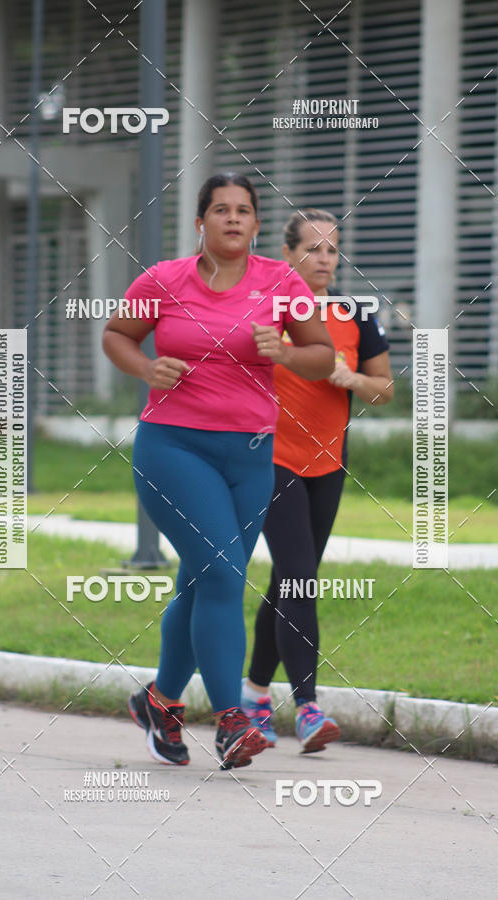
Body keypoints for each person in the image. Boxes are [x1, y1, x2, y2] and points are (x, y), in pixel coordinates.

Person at [102, 177, 335, 769]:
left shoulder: (283, 283)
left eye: (245, 211)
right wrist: (147, 366)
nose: (233, 218)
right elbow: (116, 334)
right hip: (174, 449)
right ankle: (232, 720)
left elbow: (323, 356)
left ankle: (160, 702)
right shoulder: (161, 280)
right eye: (220, 210)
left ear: (256, 226)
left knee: (203, 580)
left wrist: (284, 353)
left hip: (252, 456)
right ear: (200, 222)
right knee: (226, 577)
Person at [241, 208, 393, 752]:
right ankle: (306, 707)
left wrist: (349, 376)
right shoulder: (269, 308)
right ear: (288, 254)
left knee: (289, 579)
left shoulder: (354, 314)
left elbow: (384, 389)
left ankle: (255, 695)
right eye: (313, 248)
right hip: (271, 460)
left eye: (332, 249)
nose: (324, 258)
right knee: (300, 577)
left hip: (329, 464)